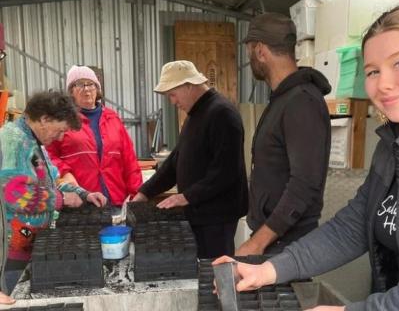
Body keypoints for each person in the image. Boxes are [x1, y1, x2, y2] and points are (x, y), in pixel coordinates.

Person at [213, 4, 399, 311]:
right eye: (373, 71)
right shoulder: (395, 142)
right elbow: (351, 228)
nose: (384, 84)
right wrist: (268, 270)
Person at [235, 12, 331, 256]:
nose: (249, 59)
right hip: (273, 240)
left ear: (260, 51)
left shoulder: (302, 102)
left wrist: (258, 243)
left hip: (288, 246)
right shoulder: (283, 98)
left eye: (249, 50)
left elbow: (304, 184)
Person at [132, 60, 248, 259]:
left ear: (188, 85)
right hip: (200, 212)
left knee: (215, 272)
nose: (172, 101)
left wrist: (184, 197)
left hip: (217, 216)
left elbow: (226, 172)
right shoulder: (195, 114)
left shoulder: (222, 113)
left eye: (172, 94)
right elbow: (176, 161)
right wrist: (145, 192)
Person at [0, 91, 106, 300]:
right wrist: (61, 200)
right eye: (59, 131)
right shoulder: (12, 141)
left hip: (30, 242)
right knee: (13, 298)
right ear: (44, 119)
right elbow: (14, 194)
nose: (59, 138)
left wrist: (83, 194)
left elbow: (53, 183)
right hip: (11, 250)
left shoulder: (34, 143)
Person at [46, 66, 142, 208]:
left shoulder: (113, 118)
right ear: (71, 91)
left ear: (97, 89)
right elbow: (48, 156)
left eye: (90, 84)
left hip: (116, 200)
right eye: (79, 84)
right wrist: (64, 172)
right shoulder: (62, 120)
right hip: (80, 201)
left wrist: (136, 194)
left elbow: (130, 161)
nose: (86, 89)